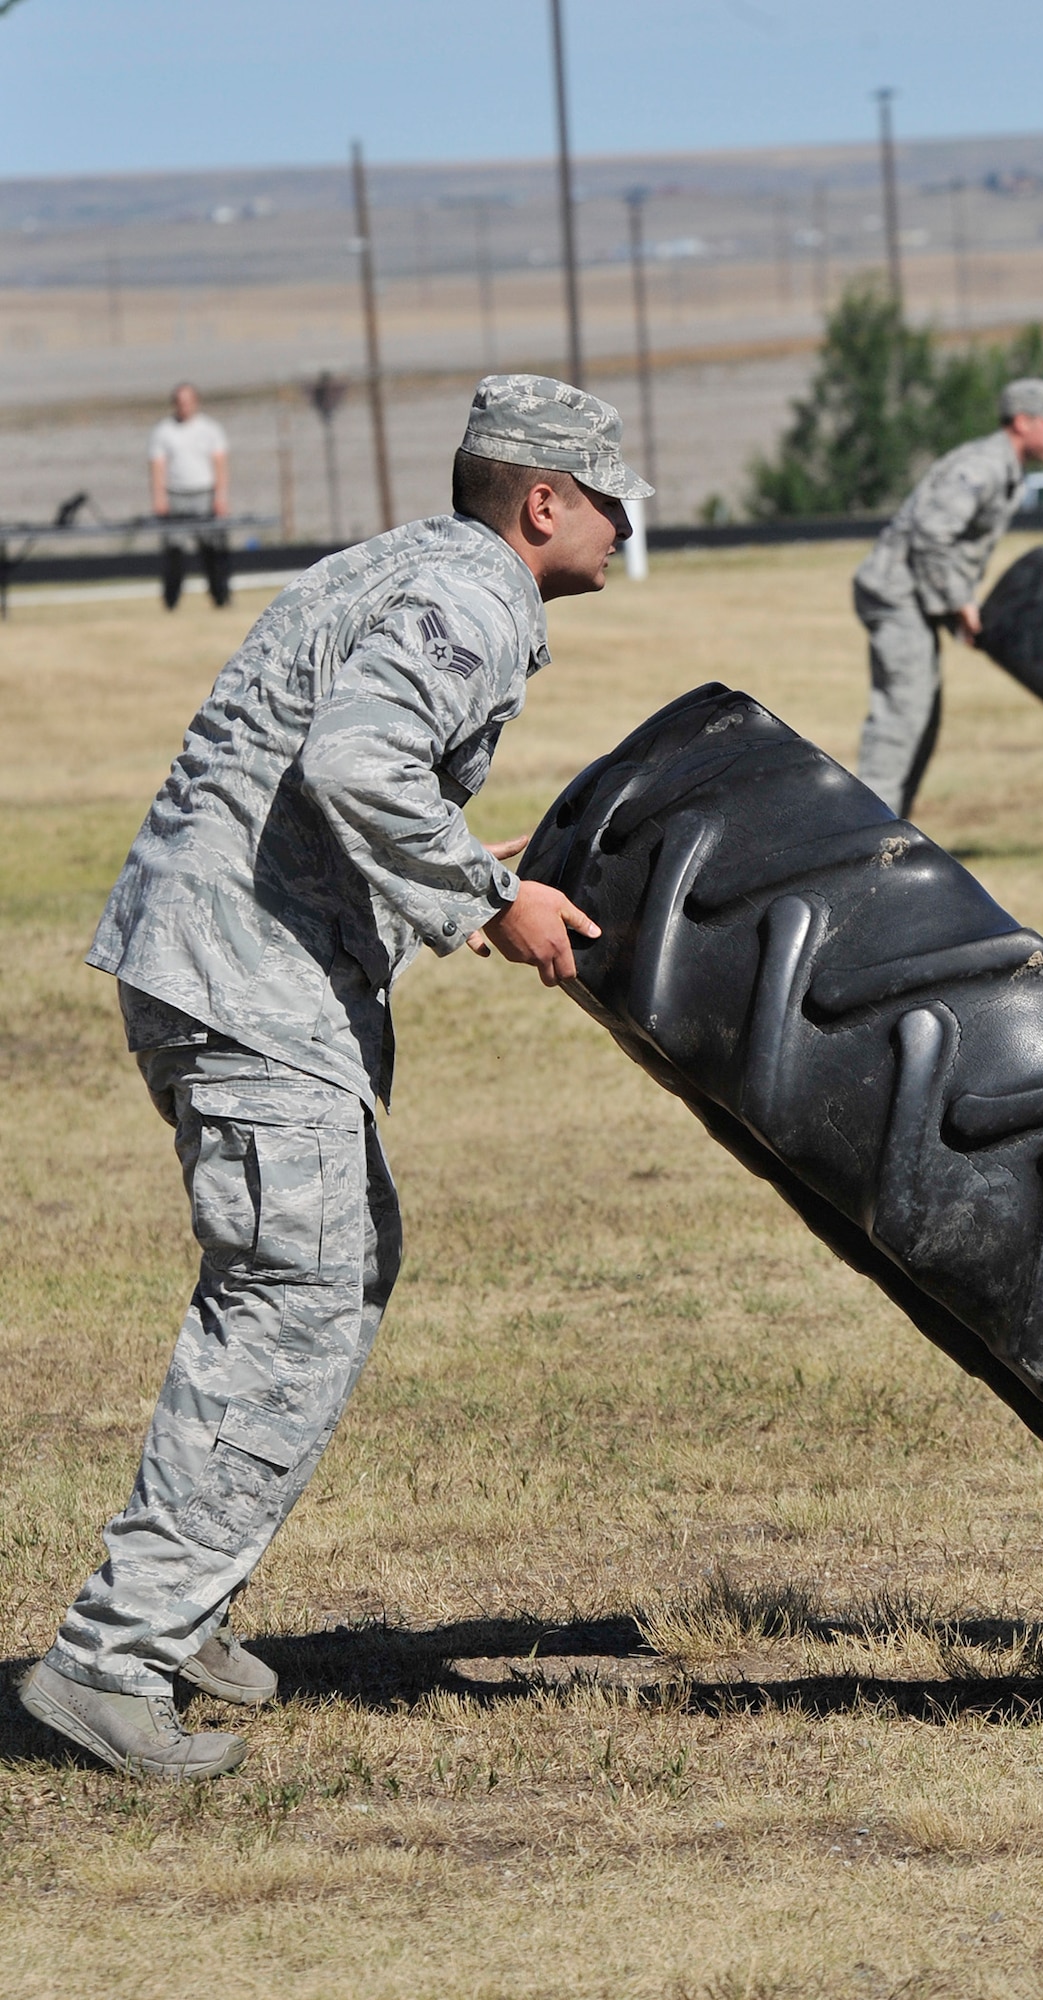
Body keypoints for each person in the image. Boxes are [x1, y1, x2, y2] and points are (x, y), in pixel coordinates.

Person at [21, 375, 652, 1781]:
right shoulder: (477, 597)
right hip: (246, 983)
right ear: (542, 502)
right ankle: (110, 1663)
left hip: (216, 965)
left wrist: (475, 877)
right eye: (609, 498)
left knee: (334, 1269)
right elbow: (357, 760)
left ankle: (178, 1620)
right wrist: (489, 901)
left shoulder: (407, 567)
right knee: (288, 1294)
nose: (623, 523)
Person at [852, 377, 1043, 817]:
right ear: (1022, 422)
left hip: (916, 596)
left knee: (920, 720)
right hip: (897, 594)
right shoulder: (982, 467)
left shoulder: (1006, 469)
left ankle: (890, 828)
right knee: (902, 718)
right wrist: (961, 602)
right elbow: (931, 538)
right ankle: (864, 835)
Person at [149, 382, 233, 610]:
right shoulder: (164, 431)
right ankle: (171, 601)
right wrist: (159, 498)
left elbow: (219, 464)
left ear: (195, 402)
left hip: (203, 494)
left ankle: (220, 598)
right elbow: (158, 466)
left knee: (212, 548)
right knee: (174, 550)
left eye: (188, 401)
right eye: (180, 402)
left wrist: (220, 497)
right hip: (175, 495)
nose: (184, 406)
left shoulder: (210, 429)